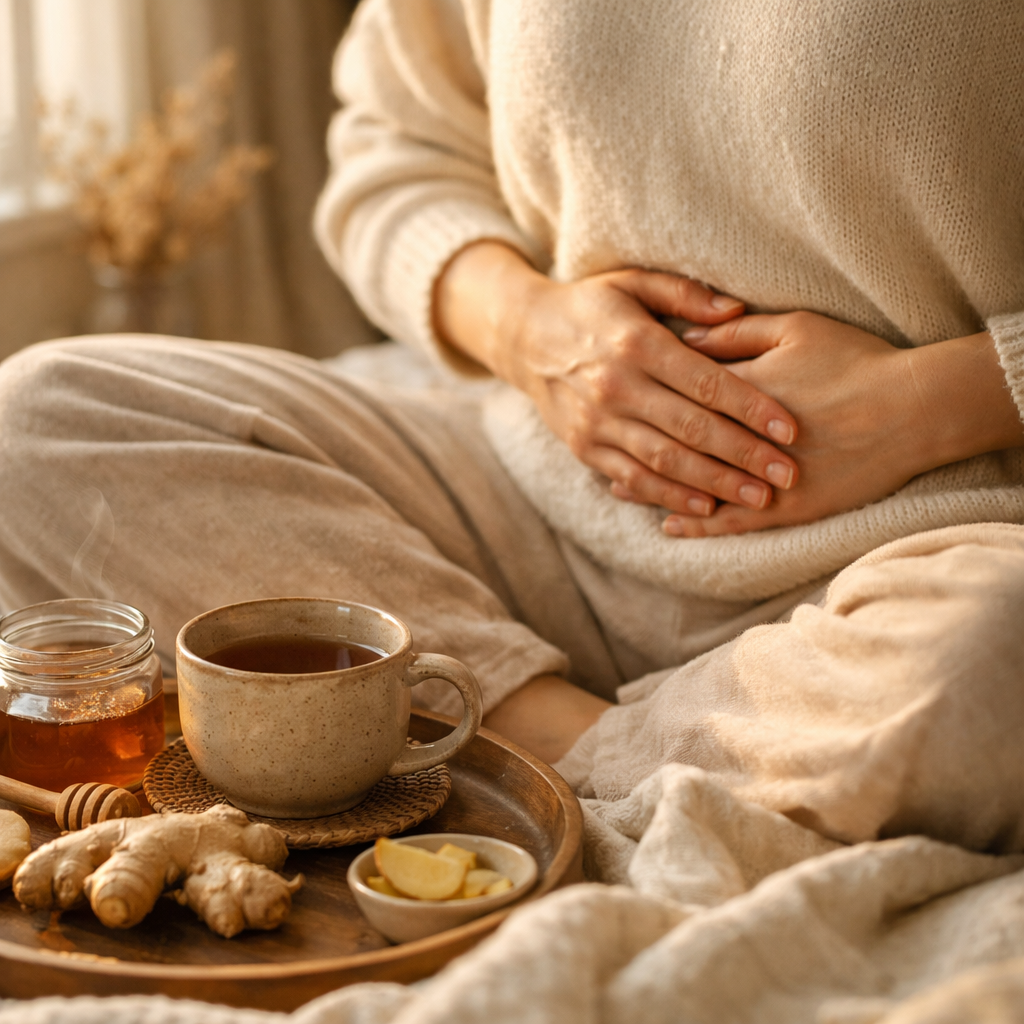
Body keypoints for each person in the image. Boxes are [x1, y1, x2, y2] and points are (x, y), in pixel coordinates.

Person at [1, 0, 1023, 805]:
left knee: (1000, 652)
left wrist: (927, 404)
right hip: (527, 503)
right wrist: (530, 332)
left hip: (929, 551)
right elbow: (393, 149)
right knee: (35, 418)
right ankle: (557, 738)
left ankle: (498, 733)